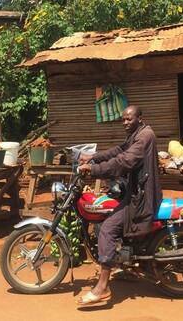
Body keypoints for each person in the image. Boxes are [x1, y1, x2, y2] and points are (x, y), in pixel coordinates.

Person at [75, 105, 162, 305]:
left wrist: (94, 169)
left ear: (140, 118)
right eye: (123, 119)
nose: (125, 123)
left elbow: (125, 161)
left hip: (141, 198)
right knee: (110, 218)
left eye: (128, 119)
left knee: (108, 228)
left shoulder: (145, 136)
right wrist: (93, 157)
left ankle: (102, 287)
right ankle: (126, 265)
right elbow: (118, 150)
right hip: (134, 193)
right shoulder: (136, 135)